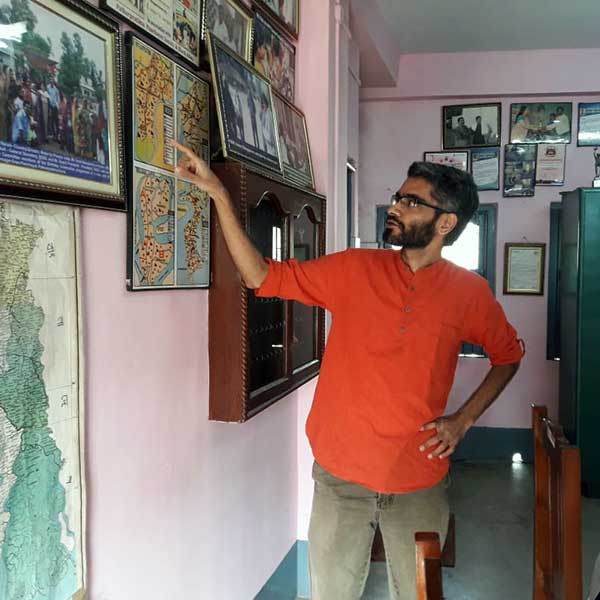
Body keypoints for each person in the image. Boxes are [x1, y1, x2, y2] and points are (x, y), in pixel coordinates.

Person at [171, 143, 524, 600]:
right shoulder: (355, 269)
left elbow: (508, 355)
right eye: (397, 197)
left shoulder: (469, 293)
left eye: (410, 202)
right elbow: (262, 276)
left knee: (419, 594)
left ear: (446, 223)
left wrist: (464, 419)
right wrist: (219, 195)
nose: (394, 207)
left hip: (418, 477)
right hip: (340, 476)